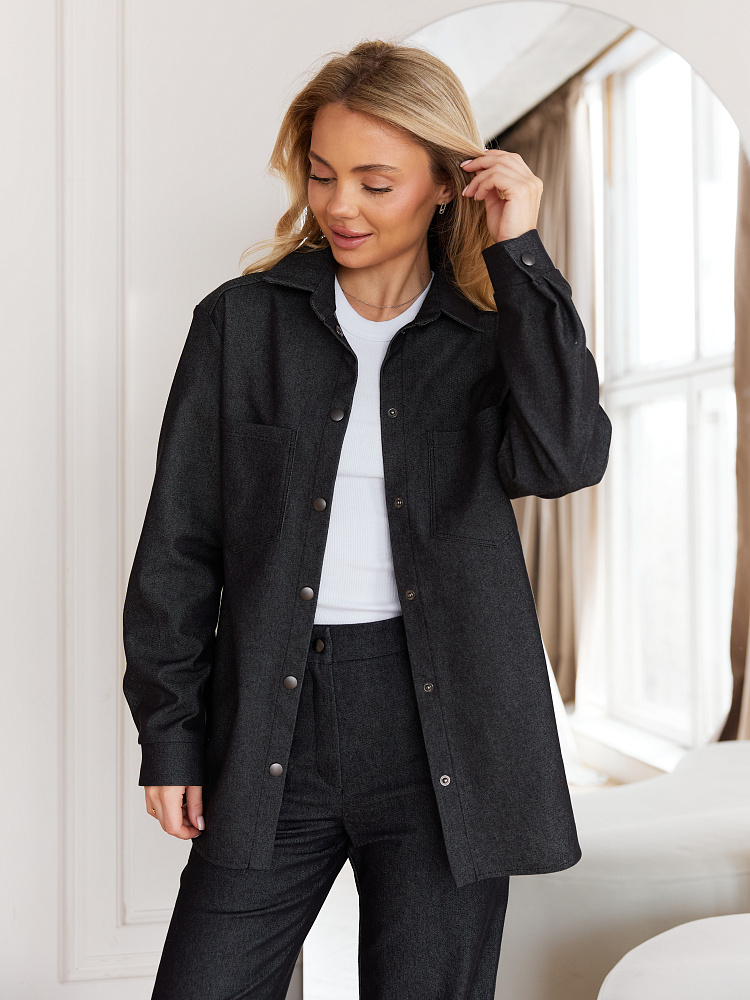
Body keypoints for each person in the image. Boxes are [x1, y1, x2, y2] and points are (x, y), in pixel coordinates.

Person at [122, 38, 611, 1000]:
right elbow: (179, 545)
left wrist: (519, 252)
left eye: (375, 183)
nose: (340, 206)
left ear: (446, 185)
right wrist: (170, 735)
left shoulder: (490, 336)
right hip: (274, 715)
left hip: (447, 726)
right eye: (322, 175)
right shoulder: (240, 326)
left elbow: (565, 460)